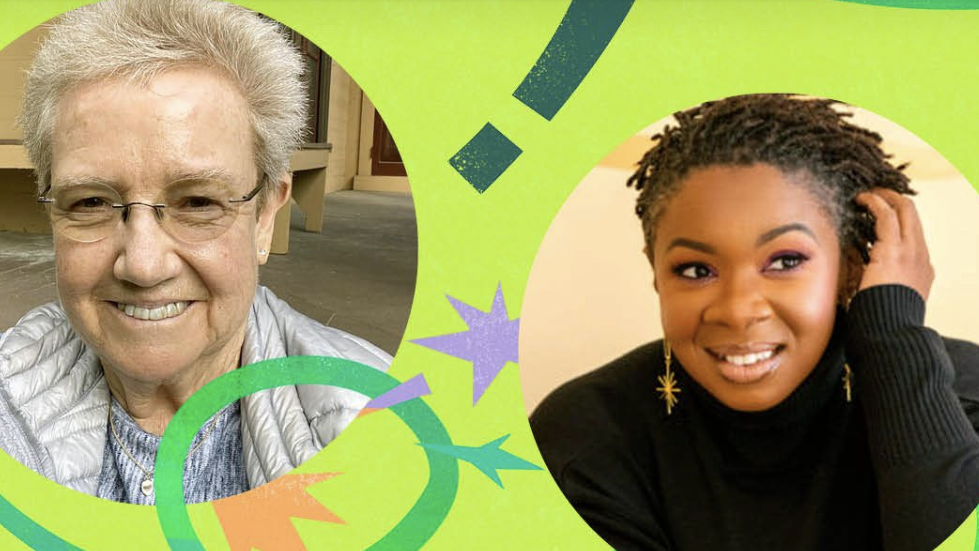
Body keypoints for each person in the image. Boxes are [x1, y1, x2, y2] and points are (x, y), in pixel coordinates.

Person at [530, 95, 979, 551]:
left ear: (849, 265)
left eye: (785, 261)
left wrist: (895, 335)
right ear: (655, 270)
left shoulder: (968, 394)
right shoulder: (585, 438)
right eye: (695, 270)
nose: (737, 310)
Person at [0, 0, 391, 505]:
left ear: (266, 217)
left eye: (199, 202)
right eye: (91, 202)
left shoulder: (385, 420)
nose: (143, 264)